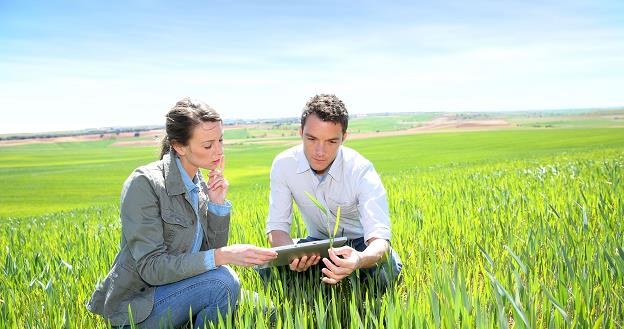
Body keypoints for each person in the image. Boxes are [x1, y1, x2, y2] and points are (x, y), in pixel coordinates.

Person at [87, 98, 277, 328]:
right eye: (208, 145)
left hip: (185, 288)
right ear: (179, 146)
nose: (218, 151)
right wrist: (223, 255)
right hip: (141, 306)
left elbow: (207, 255)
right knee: (223, 283)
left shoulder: (199, 183)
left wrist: (216, 205)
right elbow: (152, 268)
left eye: (220, 140)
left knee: (269, 311)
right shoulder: (144, 184)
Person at [264, 94, 402, 291]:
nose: (320, 151)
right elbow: (276, 228)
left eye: (331, 141)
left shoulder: (360, 170)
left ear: (344, 138)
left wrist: (359, 259)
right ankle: (315, 284)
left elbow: (380, 240)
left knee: (385, 273)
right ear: (301, 132)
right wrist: (292, 255)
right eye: (311, 139)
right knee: (268, 269)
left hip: (359, 245)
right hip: (316, 245)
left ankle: (342, 282)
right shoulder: (283, 164)